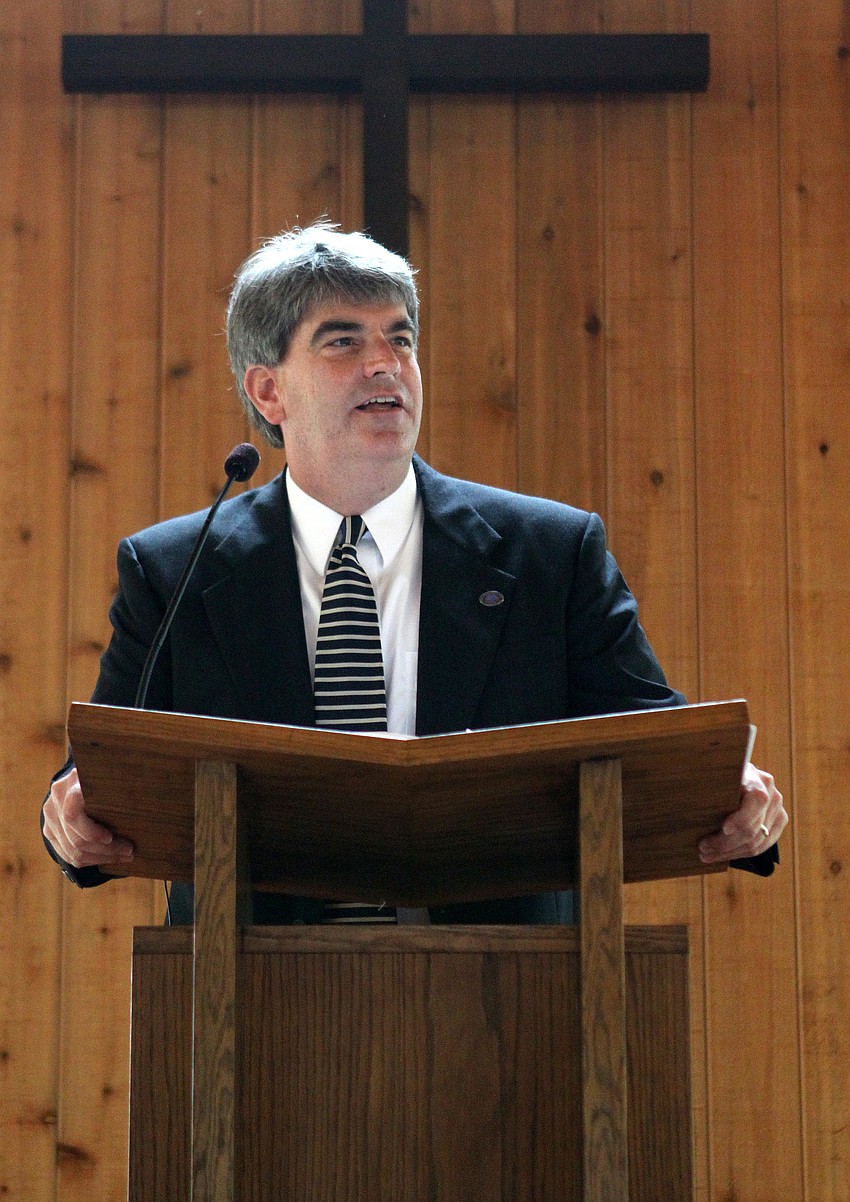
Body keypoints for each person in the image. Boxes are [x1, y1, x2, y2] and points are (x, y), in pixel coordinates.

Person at [41, 223, 787, 923]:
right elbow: (102, 787)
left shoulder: (549, 553)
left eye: (400, 339)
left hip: (507, 1002)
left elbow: (658, 753)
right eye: (343, 341)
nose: (385, 363)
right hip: (250, 1004)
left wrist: (735, 797)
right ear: (268, 391)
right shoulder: (175, 571)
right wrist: (74, 822)